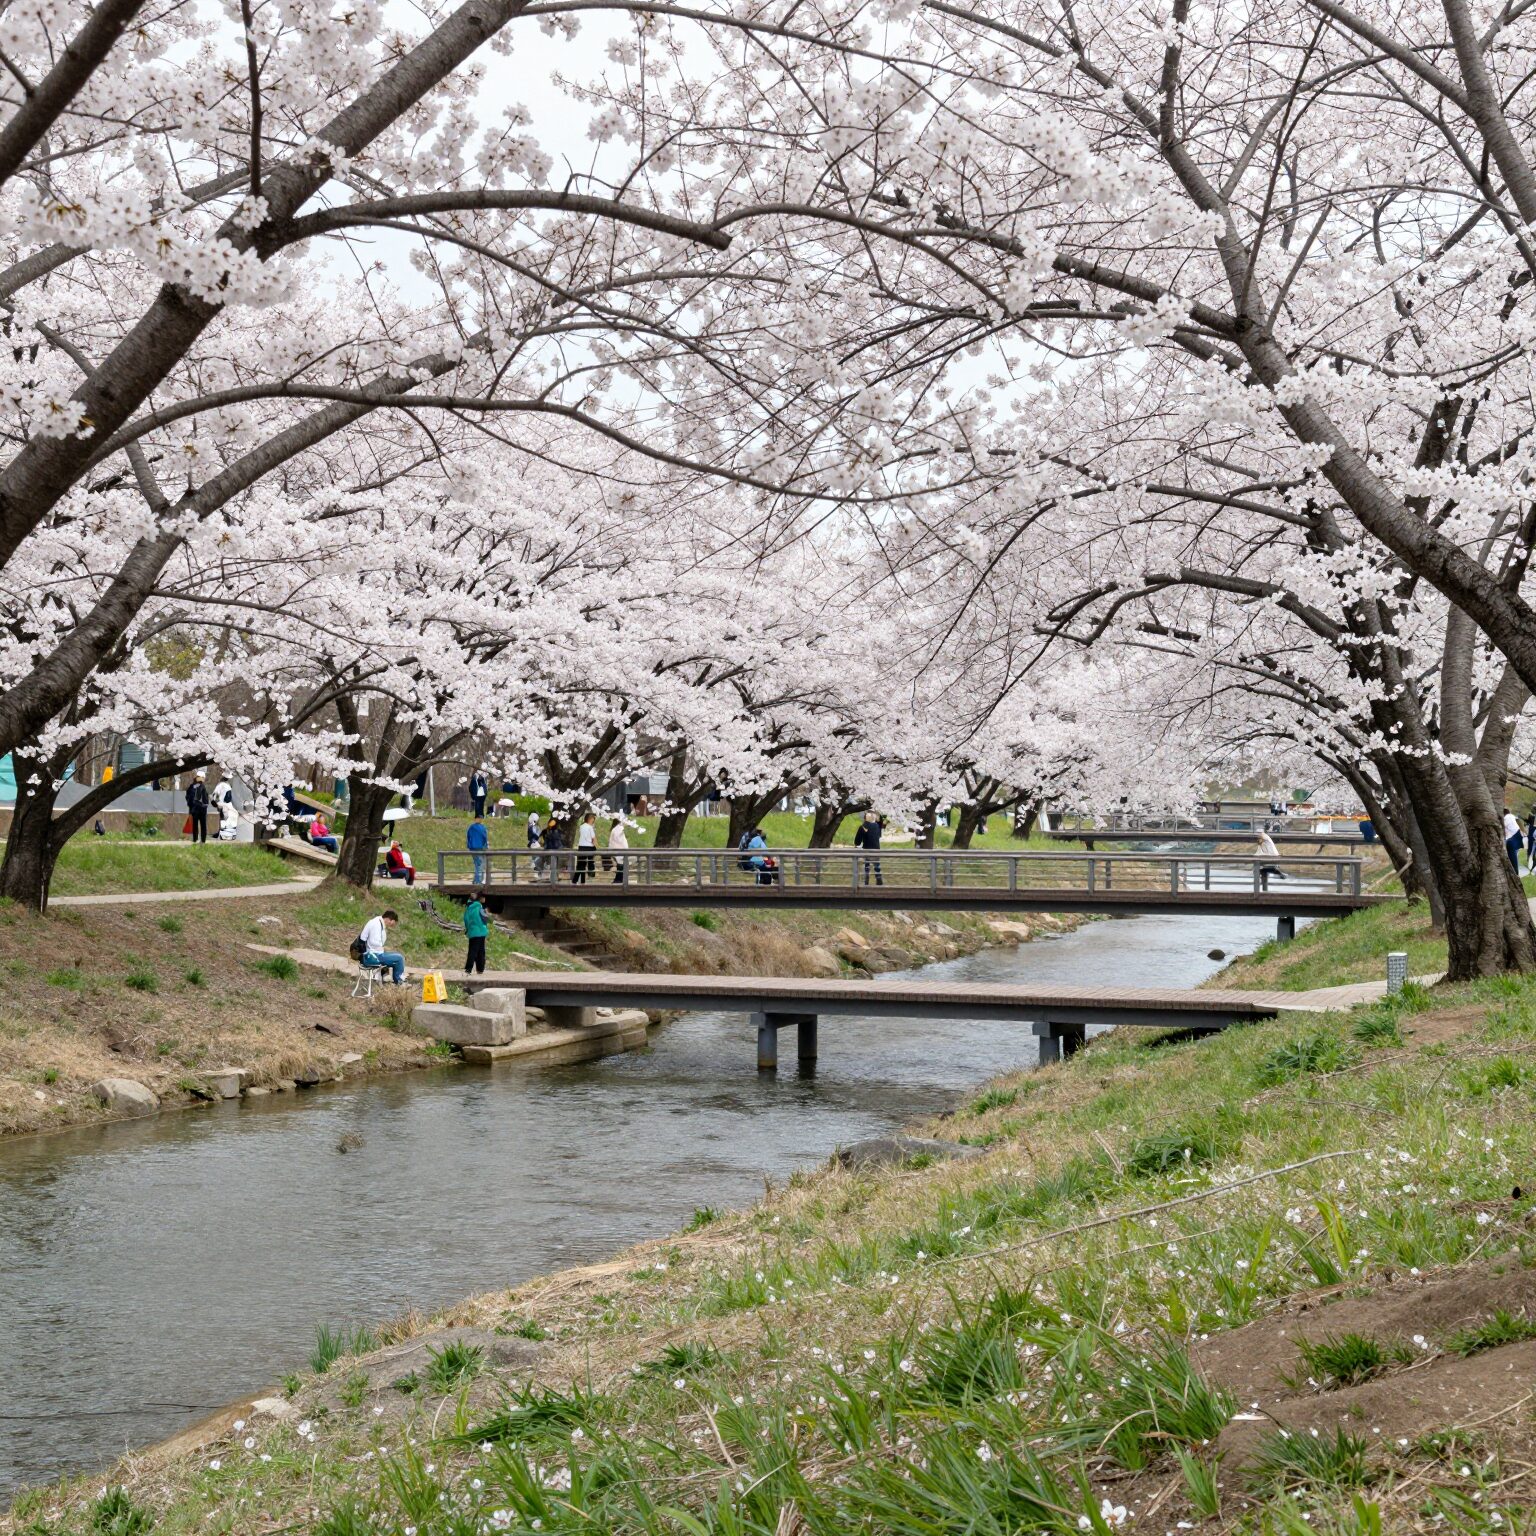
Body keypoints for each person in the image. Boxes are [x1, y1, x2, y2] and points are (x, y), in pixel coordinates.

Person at [358, 909, 405, 985]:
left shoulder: (376, 922)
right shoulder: (376, 925)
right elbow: (375, 943)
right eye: (392, 924)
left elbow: (364, 938)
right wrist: (383, 948)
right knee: (399, 958)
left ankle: (388, 978)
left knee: (394, 957)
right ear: (390, 920)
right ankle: (399, 982)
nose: (390, 925)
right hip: (372, 956)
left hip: (369, 954)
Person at [853, 809, 884, 886]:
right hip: (876, 849)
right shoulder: (877, 826)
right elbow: (879, 836)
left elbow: (857, 842)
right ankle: (879, 879)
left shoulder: (862, 827)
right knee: (877, 866)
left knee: (866, 867)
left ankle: (866, 882)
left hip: (866, 850)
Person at [463, 891, 489, 975]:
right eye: (483, 897)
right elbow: (485, 919)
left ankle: (468, 969)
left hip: (474, 932)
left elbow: (466, 919)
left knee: (473, 951)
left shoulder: (470, 907)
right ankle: (480, 969)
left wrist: (468, 929)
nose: (485, 899)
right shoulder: (479, 906)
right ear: (480, 898)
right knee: (481, 951)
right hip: (482, 931)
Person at [185, 770, 209, 843]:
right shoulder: (202, 786)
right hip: (202, 809)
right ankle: (203, 840)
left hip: (194, 809)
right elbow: (205, 799)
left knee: (195, 825)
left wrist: (191, 806)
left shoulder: (192, 786)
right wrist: (205, 805)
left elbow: (188, 797)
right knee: (203, 825)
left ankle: (195, 839)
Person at [573, 812, 597, 884]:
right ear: (590, 819)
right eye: (593, 819)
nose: (593, 820)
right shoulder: (590, 827)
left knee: (580, 864)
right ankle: (589, 875)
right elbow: (593, 838)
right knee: (589, 862)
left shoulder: (581, 826)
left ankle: (578, 880)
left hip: (581, 847)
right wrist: (596, 846)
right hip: (589, 847)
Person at [467, 813, 490, 883]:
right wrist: (486, 846)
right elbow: (484, 838)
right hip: (480, 848)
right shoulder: (482, 827)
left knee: (477, 863)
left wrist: (469, 845)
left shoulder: (471, 827)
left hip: (472, 847)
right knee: (480, 864)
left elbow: (468, 837)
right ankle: (478, 881)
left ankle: (476, 880)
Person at [608, 817, 629, 883]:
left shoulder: (616, 828)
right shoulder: (619, 828)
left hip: (618, 851)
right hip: (619, 851)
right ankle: (618, 881)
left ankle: (618, 881)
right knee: (621, 867)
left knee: (621, 867)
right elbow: (619, 839)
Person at [1504, 809, 1524, 875]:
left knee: (1512, 858)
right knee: (1514, 855)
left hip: (1512, 839)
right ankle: (1515, 872)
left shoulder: (1506, 818)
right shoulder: (1512, 816)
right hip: (1518, 836)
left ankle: (1515, 873)